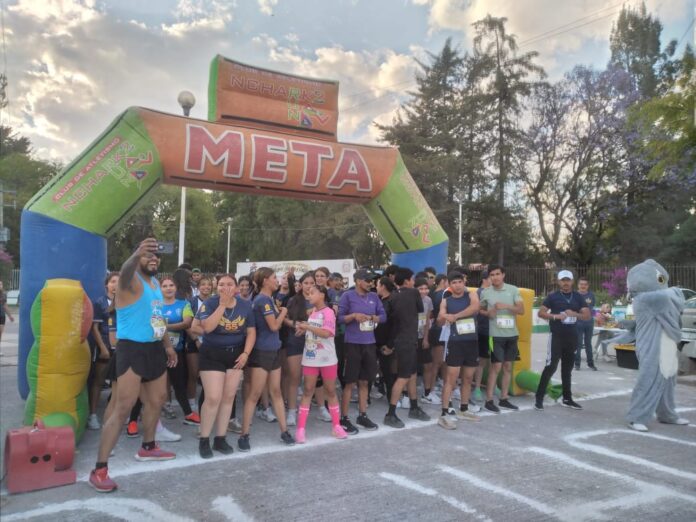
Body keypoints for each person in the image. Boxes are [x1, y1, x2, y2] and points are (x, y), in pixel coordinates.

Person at [89, 238, 178, 493]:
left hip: (154, 348)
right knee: (123, 408)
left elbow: (158, 317)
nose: (153, 258)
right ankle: (99, 469)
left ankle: (148, 447)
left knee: (157, 399)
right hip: (132, 349)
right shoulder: (128, 281)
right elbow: (126, 268)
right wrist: (136, 253)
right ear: (137, 257)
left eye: (155, 256)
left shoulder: (155, 283)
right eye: (147, 255)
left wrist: (168, 346)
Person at [194, 274, 256, 458]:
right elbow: (207, 327)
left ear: (236, 288)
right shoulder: (210, 303)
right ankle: (204, 439)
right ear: (216, 287)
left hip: (236, 354)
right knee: (213, 397)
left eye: (229, 284)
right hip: (212, 353)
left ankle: (220, 438)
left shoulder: (245, 305)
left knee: (228, 397)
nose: (225, 287)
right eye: (221, 284)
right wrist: (222, 304)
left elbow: (251, 332)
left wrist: (246, 353)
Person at [238, 268, 295, 451]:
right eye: (274, 278)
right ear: (265, 281)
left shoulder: (267, 299)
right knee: (255, 394)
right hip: (262, 351)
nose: (277, 280)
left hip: (273, 349)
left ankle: (284, 431)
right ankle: (244, 435)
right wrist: (284, 311)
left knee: (276, 392)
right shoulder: (263, 300)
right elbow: (274, 326)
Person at [294, 285, 347, 442]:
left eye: (312, 293)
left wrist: (307, 326)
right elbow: (315, 330)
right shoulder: (313, 313)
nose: (309, 296)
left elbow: (327, 333)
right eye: (308, 293)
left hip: (327, 359)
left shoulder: (329, 312)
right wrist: (304, 330)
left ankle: (336, 426)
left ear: (322, 295)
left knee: (330, 391)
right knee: (308, 391)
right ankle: (301, 429)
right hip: (311, 358)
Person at [337, 269, 386, 434]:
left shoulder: (374, 297)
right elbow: (339, 318)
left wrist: (372, 318)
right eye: (368, 280)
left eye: (372, 280)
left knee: (365, 382)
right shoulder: (347, 296)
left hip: (369, 344)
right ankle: (344, 418)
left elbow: (383, 316)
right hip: (352, 344)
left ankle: (362, 415)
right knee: (349, 382)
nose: (371, 283)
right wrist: (353, 316)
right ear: (358, 281)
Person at [535, 270, 590, 411]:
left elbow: (587, 315)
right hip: (556, 337)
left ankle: (567, 398)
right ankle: (539, 398)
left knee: (567, 369)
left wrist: (575, 314)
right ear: (558, 281)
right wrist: (555, 317)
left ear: (572, 281)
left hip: (572, 337)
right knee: (551, 367)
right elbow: (541, 313)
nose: (565, 283)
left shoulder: (578, 297)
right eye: (563, 280)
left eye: (568, 280)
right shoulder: (552, 296)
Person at [384, 267, 430, 428]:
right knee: (403, 376)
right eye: (412, 279)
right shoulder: (413, 293)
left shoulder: (393, 296)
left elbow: (392, 322)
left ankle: (414, 407)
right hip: (407, 340)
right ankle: (390, 414)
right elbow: (421, 309)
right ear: (407, 281)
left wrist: (390, 344)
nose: (414, 282)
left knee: (412, 374)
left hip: (401, 340)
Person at [436, 271, 481, 429]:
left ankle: (464, 409)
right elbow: (440, 320)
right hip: (455, 343)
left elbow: (475, 307)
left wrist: (455, 316)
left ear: (464, 282)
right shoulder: (446, 301)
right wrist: (444, 317)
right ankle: (444, 414)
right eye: (454, 283)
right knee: (451, 379)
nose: (457, 285)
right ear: (449, 285)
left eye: (459, 282)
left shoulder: (471, 295)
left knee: (468, 378)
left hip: (471, 342)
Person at [479, 265, 524, 413]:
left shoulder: (513, 290)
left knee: (508, 367)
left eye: (497, 274)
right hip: (495, 335)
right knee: (496, 367)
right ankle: (489, 400)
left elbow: (521, 310)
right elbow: (480, 309)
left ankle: (504, 398)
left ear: (503, 275)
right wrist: (489, 313)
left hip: (512, 334)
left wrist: (506, 306)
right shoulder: (486, 292)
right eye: (492, 275)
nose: (495, 277)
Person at [161, 277, 198, 425]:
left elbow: (187, 323)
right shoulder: (155, 305)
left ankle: (188, 413)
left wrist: (164, 327)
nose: (168, 288)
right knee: (159, 381)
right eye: (165, 286)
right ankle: (165, 406)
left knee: (178, 382)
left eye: (171, 285)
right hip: (156, 350)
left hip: (176, 350)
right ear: (160, 289)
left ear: (176, 288)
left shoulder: (184, 304)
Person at [282, 271, 315, 427]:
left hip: (314, 342)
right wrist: (297, 325)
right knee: (294, 378)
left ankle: (307, 409)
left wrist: (307, 326)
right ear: (300, 285)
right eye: (306, 283)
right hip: (295, 341)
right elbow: (285, 319)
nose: (309, 286)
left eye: (312, 283)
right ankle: (291, 411)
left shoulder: (319, 301)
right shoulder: (293, 300)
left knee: (310, 381)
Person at [87, 272, 120, 430]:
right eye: (113, 281)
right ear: (107, 284)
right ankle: (93, 415)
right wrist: (102, 348)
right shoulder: (100, 302)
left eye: (119, 282)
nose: (115, 285)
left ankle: (118, 413)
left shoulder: (127, 301)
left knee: (119, 382)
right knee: (99, 381)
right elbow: (95, 328)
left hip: (122, 347)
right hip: (106, 346)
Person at [375, 277, 397, 403]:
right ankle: (367, 398)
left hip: (386, 343)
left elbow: (395, 325)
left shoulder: (392, 301)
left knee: (388, 371)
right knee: (371, 370)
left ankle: (391, 398)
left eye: (378, 285)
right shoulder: (378, 300)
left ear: (383, 286)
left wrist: (390, 345)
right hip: (374, 341)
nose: (376, 287)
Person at [415, 277, 436, 403]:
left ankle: (427, 393)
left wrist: (426, 338)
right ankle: (407, 394)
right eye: (420, 289)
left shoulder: (428, 300)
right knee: (410, 368)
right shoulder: (411, 300)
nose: (424, 291)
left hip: (423, 337)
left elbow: (427, 320)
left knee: (428, 364)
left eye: (426, 288)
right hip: (411, 338)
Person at [472, 271, 491, 404]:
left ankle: (492, 385)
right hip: (482, 332)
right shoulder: (478, 293)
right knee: (481, 360)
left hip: (495, 332)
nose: (494, 279)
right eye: (491, 277)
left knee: (494, 361)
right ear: (484, 279)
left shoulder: (495, 292)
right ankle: (477, 388)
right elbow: (476, 310)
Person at [575, 277, 597, 371]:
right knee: (578, 344)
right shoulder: (574, 295)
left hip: (589, 323)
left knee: (588, 344)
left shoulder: (591, 295)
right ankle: (577, 364)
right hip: (578, 322)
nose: (583, 286)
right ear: (578, 285)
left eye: (585, 284)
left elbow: (592, 308)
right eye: (581, 284)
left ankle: (590, 364)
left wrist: (597, 316)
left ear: (588, 286)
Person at [0, 280, 15, 346]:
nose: (0, 286)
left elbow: (5, 306)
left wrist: (10, 316)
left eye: (1, 284)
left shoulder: (3, 295)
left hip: (2, 315)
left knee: (0, 332)